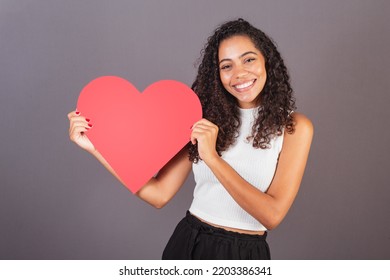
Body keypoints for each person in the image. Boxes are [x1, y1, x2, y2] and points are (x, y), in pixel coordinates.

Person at [67, 18, 313, 260]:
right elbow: (159, 194)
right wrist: (96, 148)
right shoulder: (203, 120)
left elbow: (272, 216)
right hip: (188, 243)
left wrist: (212, 158)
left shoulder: (294, 127)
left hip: (243, 254)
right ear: (217, 74)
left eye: (248, 59)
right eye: (226, 66)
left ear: (267, 62)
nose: (239, 74)